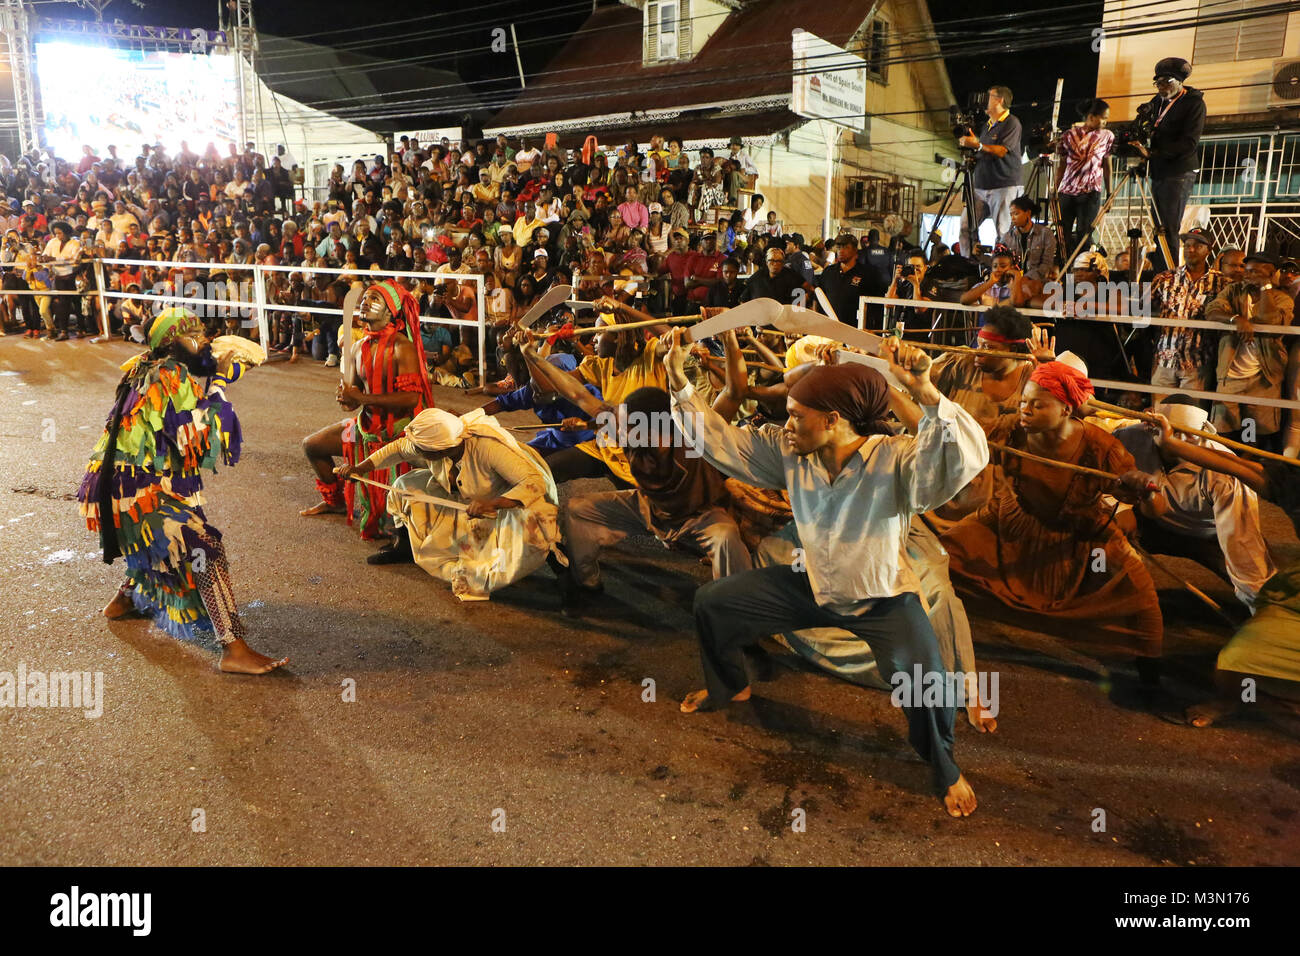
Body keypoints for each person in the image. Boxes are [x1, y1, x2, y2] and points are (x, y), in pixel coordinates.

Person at [666, 331, 989, 817]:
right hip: (813, 586)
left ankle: (944, 766)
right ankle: (728, 683)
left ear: (834, 420)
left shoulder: (896, 458)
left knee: (930, 687)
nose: (787, 424)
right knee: (713, 602)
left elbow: (959, 460)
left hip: (884, 600)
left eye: (797, 416)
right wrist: (678, 381)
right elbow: (721, 441)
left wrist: (924, 392)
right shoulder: (789, 453)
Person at [76, 308, 287, 674]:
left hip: (115, 485)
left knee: (161, 537)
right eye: (196, 333)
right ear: (174, 342)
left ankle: (125, 600)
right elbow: (199, 437)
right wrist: (221, 382)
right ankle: (233, 648)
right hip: (135, 489)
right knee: (203, 547)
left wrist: (228, 369)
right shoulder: (170, 377)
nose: (203, 338)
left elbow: (188, 389)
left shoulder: (148, 365)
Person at [941, 360, 1166, 679]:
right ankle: (930, 629)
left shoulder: (1102, 447)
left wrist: (1141, 485)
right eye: (1023, 402)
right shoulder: (1011, 431)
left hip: (1083, 534)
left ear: (1065, 409)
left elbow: (1139, 491)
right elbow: (967, 436)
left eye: (1037, 404)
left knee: (1134, 591)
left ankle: (1150, 671)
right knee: (942, 558)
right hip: (1013, 519)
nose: (1026, 410)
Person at [1142, 412, 1300, 727]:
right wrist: (1171, 442)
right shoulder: (1295, 484)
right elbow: (1238, 467)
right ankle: (1233, 701)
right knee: (1233, 663)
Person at [337, 407, 562, 601]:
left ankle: (571, 581)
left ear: (442, 450)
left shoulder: (487, 449)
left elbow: (533, 482)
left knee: (536, 535)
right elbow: (398, 449)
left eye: (420, 450)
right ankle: (403, 546)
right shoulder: (439, 443)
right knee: (405, 486)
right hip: (464, 499)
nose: (414, 450)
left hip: (506, 507)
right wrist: (360, 469)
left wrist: (493, 503)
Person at [1113, 397, 1275, 612]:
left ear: (1202, 430)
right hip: (1147, 522)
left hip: (1209, 535)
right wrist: (1121, 511)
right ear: (1152, 425)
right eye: (1172, 431)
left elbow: (1241, 540)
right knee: (1096, 535)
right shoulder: (1127, 438)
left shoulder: (1224, 475)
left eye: (1189, 433)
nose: (1180, 440)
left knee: (1264, 589)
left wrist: (1259, 603)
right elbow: (1099, 469)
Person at [300, 281, 435, 539]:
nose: (364, 302)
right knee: (312, 445)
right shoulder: (357, 347)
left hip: (399, 436)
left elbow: (410, 398)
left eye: (375, 299)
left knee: (399, 525)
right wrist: (348, 398)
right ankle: (335, 502)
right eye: (365, 298)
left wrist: (361, 397)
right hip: (364, 430)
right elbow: (354, 399)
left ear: (389, 312)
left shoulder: (401, 346)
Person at [1207, 251, 1295, 451]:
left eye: (1255, 272)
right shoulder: (1233, 291)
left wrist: (1265, 287)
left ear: (1271, 274)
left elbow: (1271, 320)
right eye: (1247, 270)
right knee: (1223, 427)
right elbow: (1212, 311)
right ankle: (1226, 463)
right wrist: (1235, 319)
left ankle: (1247, 464)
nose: (1247, 275)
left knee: (1253, 431)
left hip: (1263, 377)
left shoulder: (1282, 299)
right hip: (1230, 373)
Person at [1130, 58, 1206, 271]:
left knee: (1168, 227)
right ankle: (1160, 271)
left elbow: (1189, 143)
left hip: (1179, 171)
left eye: (1167, 82)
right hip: (1158, 169)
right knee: (1158, 227)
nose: (1162, 87)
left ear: (1180, 82)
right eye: (1158, 83)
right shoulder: (1156, 101)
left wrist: (1153, 152)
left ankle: (1169, 276)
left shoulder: (1193, 103)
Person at [1148, 227, 1227, 391]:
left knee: (1190, 413)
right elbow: (1144, 307)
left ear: (1209, 250)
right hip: (1165, 359)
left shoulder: (1221, 283)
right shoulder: (1165, 278)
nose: (1191, 249)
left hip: (1197, 362)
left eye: (1198, 246)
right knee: (1160, 411)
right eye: (1188, 245)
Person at [957, 85, 1024, 256]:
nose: (984, 100)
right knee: (966, 226)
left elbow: (1001, 150)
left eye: (989, 96)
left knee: (1003, 232)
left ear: (1000, 100)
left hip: (1003, 185)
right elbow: (984, 151)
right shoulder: (987, 126)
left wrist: (977, 144)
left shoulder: (1012, 123)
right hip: (980, 186)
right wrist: (975, 153)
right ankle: (967, 265)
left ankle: (1003, 271)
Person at [1054, 98, 1114, 266]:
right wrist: (1055, 189)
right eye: (1102, 117)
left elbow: (1107, 165)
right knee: (1062, 234)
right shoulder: (1068, 135)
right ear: (1091, 116)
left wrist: (1110, 194)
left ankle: (1084, 270)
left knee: (1084, 233)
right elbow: (1062, 165)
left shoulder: (1107, 136)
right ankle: (1063, 271)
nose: (1104, 122)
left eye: (1106, 118)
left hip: (1090, 191)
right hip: (1067, 191)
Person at [997, 196, 1056, 288]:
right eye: (1011, 215)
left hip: (1036, 283)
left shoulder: (1045, 234)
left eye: (1016, 214)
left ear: (1028, 213)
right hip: (1012, 283)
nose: (1012, 218)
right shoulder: (1007, 237)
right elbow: (997, 260)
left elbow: (1047, 264)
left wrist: (1026, 278)